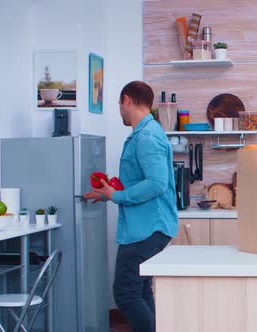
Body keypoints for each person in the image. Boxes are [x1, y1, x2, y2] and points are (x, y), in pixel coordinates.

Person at [84, 80, 178, 331]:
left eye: (119, 104)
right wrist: (107, 194)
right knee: (140, 290)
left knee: (125, 292)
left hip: (147, 228)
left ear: (126, 100)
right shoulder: (144, 133)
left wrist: (116, 196)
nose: (120, 110)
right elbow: (142, 181)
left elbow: (157, 183)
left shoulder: (146, 136)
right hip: (146, 226)